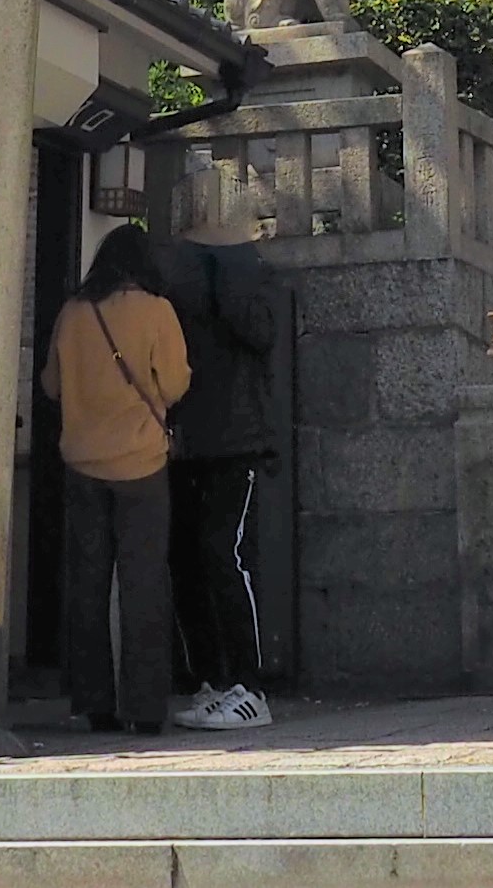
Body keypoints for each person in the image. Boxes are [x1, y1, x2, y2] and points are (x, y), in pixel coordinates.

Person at [39, 219, 190, 734]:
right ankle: (145, 708)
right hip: (141, 465)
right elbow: (173, 386)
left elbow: (52, 386)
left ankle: (93, 702)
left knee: (87, 584)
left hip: (81, 463)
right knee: (143, 583)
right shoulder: (157, 311)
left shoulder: (73, 314)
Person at [156, 231, 278, 731]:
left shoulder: (208, 282)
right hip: (216, 435)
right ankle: (220, 681)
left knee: (212, 554)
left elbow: (260, 334)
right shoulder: (237, 279)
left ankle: (246, 684)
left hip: (215, 437)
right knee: (198, 555)